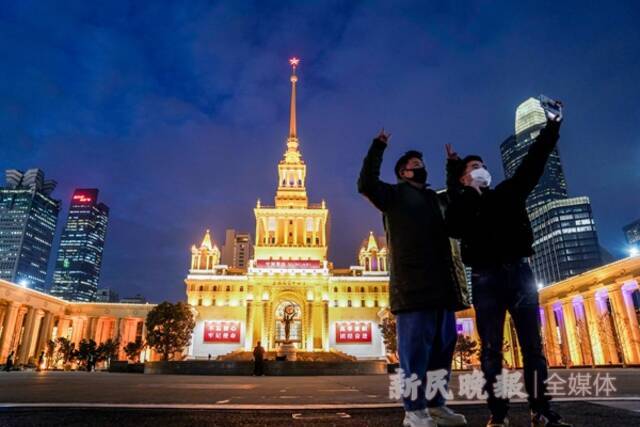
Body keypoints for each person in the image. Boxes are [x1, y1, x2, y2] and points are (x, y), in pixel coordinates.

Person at [445, 112, 571, 427]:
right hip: (485, 278)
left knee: (533, 346)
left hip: (520, 273)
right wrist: (460, 188)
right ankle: (498, 414)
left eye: (482, 166)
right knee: (490, 350)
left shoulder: (508, 192)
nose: (480, 170)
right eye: (473, 168)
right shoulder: (460, 205)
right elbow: (454, 227)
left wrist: (552, 127)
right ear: (463, 178)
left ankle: (540, 409)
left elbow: (534, 163)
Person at [358, 129, 467, 427]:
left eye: (422, 163)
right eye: (415, 164)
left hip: (442, 286)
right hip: (413, 287)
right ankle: (413, 410)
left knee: (443, 348)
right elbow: (365, 183)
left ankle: (436, 405)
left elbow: (457, 202)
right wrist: (377, 146)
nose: (421, 167)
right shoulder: (392, 196)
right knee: (414, 353)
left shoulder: (433, 198)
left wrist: (453, 169)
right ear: (403, 172)